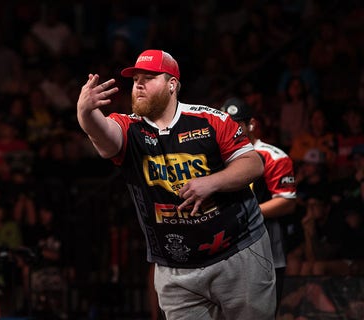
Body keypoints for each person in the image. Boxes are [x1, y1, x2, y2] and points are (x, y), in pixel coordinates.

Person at [76, 49, 275, 319]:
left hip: (238, 253)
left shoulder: (211, 120)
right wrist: (86, 114)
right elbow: (105, 137)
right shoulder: (128, 127)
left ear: (172, 84)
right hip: (176, 270)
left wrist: (212, 182)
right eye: (136, 80)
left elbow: (253, 164)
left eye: (149, 77)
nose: (139, 85)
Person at [220, 97, 297, 310]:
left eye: (237, 124)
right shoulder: (216, 159)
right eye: (226, 125)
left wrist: (243, 214)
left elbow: (287, 203)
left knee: (264, 312)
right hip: (228, 253)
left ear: (250, 124)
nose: (231, 130)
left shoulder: (273, 157)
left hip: (268, 251)